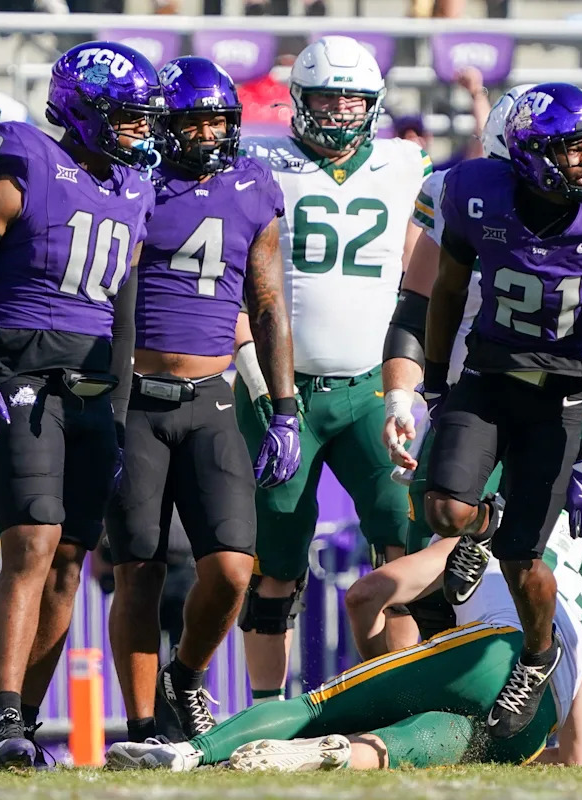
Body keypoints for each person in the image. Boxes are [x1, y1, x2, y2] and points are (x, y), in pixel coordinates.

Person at [376, 83, 582, 762]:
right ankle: (444, 698)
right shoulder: (469, 193)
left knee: (544, 561)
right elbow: (431, 299)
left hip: (565, 396)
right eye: (571, 150)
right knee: (443, 512)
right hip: (486, 378)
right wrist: (421, 391)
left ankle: (562, 699)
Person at [0, 40, 162, 769]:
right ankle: (0, 719)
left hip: (92, 388)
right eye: (125, 115)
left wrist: (119, 410)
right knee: (31, 539)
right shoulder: (23, 163)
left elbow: (124, 316)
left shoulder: (135, 189)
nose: (139, 129)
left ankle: (24, 725)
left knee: (68, 560)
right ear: (83, 111)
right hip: (18, 374)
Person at [104, 56, 298, 745]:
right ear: (164, 124)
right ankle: (140, 730)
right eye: (194, 122)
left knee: (233, 568)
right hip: (135, 398)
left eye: (219, 120)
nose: (210, 134)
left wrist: (283, 406)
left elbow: (267, 302)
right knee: (138, 569)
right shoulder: (133, 184)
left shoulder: (254, 184)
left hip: (211, 396)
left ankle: (184, 677)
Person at [235, 35, 429, 702]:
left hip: (373, 387)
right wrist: (258, 382)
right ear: (299, 99)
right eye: (327, 98)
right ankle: (268, 711)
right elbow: (232, 277)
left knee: (400, 546)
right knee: (275, 562)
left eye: (354, 100)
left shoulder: (405, 163)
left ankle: (400, 701)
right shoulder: (259, 159)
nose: (342, 111)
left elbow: (425, 276)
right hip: (280, 392)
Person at [104, 515, 582, 771]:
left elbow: (366, 595)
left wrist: (385, 682)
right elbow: (581, 756)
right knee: (407, 745)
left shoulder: (487, 543)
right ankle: (337, 755)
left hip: (493, 651)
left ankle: (190, 753)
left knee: (318, 706)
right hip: (533, 716)